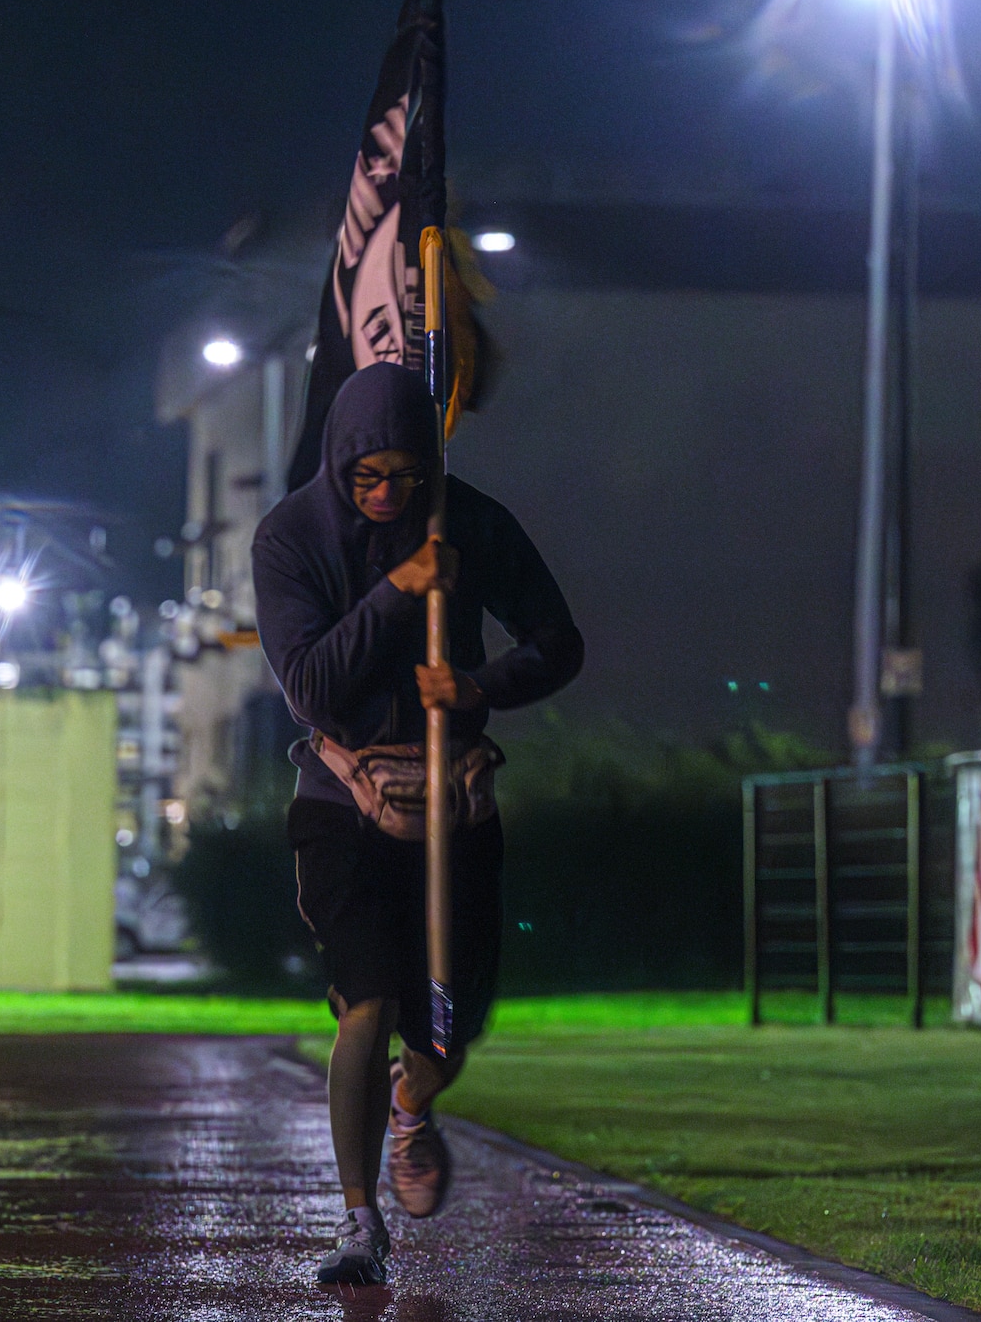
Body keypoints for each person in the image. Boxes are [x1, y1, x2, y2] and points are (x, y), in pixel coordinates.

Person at [252, 361, 584, 1286]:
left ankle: (414, 1100)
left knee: (445, 1029)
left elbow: (561, 642)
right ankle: (361, 1221)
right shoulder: (291, 535)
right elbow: (311, 684)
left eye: (405, 474)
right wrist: (401, 586)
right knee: (370, 999)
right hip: (343, 802)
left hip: (453, 798)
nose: (388, 494)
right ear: (339, 464)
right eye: (369, 477)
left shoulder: (469, 519)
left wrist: (480, 685)